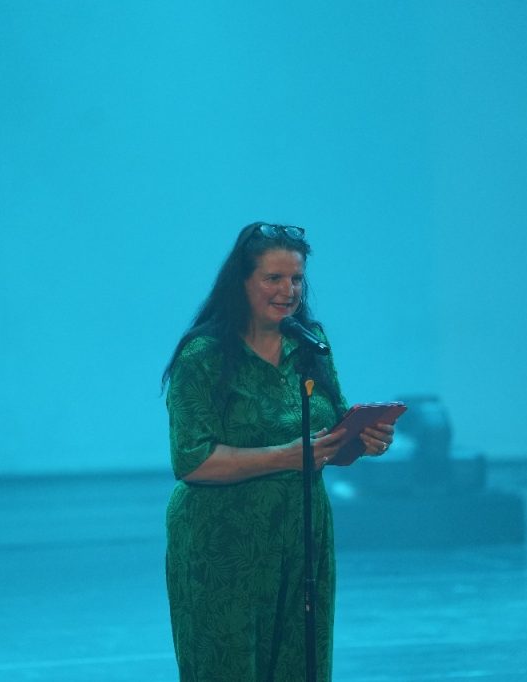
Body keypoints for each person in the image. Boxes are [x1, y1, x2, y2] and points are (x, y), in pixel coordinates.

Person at [162, 222, 395, 681]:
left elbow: (328, 431)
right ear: (242, 281)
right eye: (274, 278)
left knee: (300, 665)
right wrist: (288, 456)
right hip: (223, 543)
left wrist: (362, 441)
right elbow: (192, 460)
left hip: (301, 536)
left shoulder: (310, 344)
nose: (288, 291)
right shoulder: (203, 355)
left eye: (296, 279)